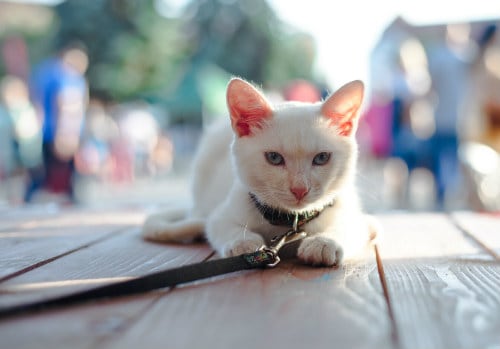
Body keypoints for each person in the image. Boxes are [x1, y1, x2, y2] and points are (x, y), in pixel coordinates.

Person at [25, 43, 89, 203]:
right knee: (64, 166)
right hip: (62, 130)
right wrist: (66, 133)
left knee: (47, 165)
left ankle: (32, 194)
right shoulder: (69, 78)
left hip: (48, 128)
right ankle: (69, 195)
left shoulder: (47, 72)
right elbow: (67, 105)